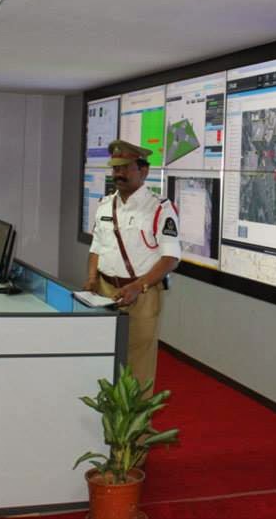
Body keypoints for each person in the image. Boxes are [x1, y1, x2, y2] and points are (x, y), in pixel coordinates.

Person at [84, 140, 180, 390]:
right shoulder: (105, 205)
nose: (119, 174)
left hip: (143, 294)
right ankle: (107, 419)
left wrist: (139, 286)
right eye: (116, 168)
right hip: (105, 291)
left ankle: (136, 427)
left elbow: (170, 258)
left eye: (126, 168)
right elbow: (97, 246)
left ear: (144, 171)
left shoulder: (160, 209)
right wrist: (92, 278)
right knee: (103, 358)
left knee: (138, 363)